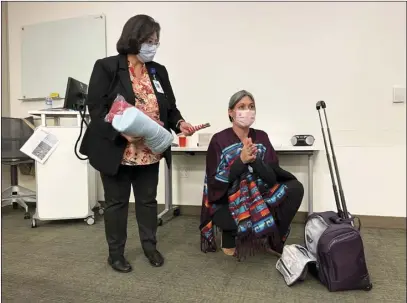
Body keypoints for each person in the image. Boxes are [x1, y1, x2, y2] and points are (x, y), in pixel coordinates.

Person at [80, 15, 195, 273]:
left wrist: (180, 123)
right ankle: (116, 254)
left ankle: (149, 247)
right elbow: (96, 110)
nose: (153, 46)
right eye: (148, 41)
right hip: (117, 149)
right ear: (134, 38)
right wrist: (121, 133)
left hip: (149, 150)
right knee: (117, 203)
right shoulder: (107, 67)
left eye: (156, 42)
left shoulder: (158, 71)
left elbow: (171, 108)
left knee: (147, 201)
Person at [199, 90, 304, 260]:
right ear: (230, 112)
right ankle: (230, 235)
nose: (247, 111)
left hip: (259, 197)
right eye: (241, 107)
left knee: (295, 188)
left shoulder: (261, 136)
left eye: (251, 107)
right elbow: (215, 184)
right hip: (229, 203)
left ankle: (275, 238)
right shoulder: (219, 140)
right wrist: (240, 160)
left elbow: (271, 178)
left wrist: (255, 161)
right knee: (229, 205)